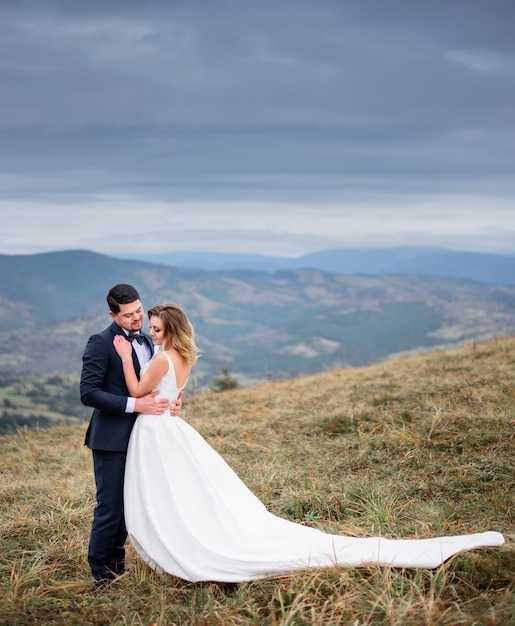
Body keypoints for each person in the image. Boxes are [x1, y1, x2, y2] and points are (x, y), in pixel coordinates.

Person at [114, 302, 504, 584]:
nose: (151, 332)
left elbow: (136, 389)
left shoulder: (162, 359)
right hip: (169, 426)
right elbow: (171, 392)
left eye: (157, 328)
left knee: (167, 490)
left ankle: (179, 540)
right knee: (181, 488)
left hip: (156, 430)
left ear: (171, 329)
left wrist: (125, 356)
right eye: (150, 326)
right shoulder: (184, 356)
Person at [80, 284, 183, 589]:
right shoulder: (100, 343)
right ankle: (102, 576)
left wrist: (173, 398)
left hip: (145, 438)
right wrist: (134, 404)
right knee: (110, 508)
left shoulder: (150, 340)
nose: (137, 318)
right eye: (128, 315)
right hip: (111, 439)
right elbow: (88, 393)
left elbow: (156, 379)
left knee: (131, 505)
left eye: (139, 310)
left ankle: (117, 567)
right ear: (113, 314)